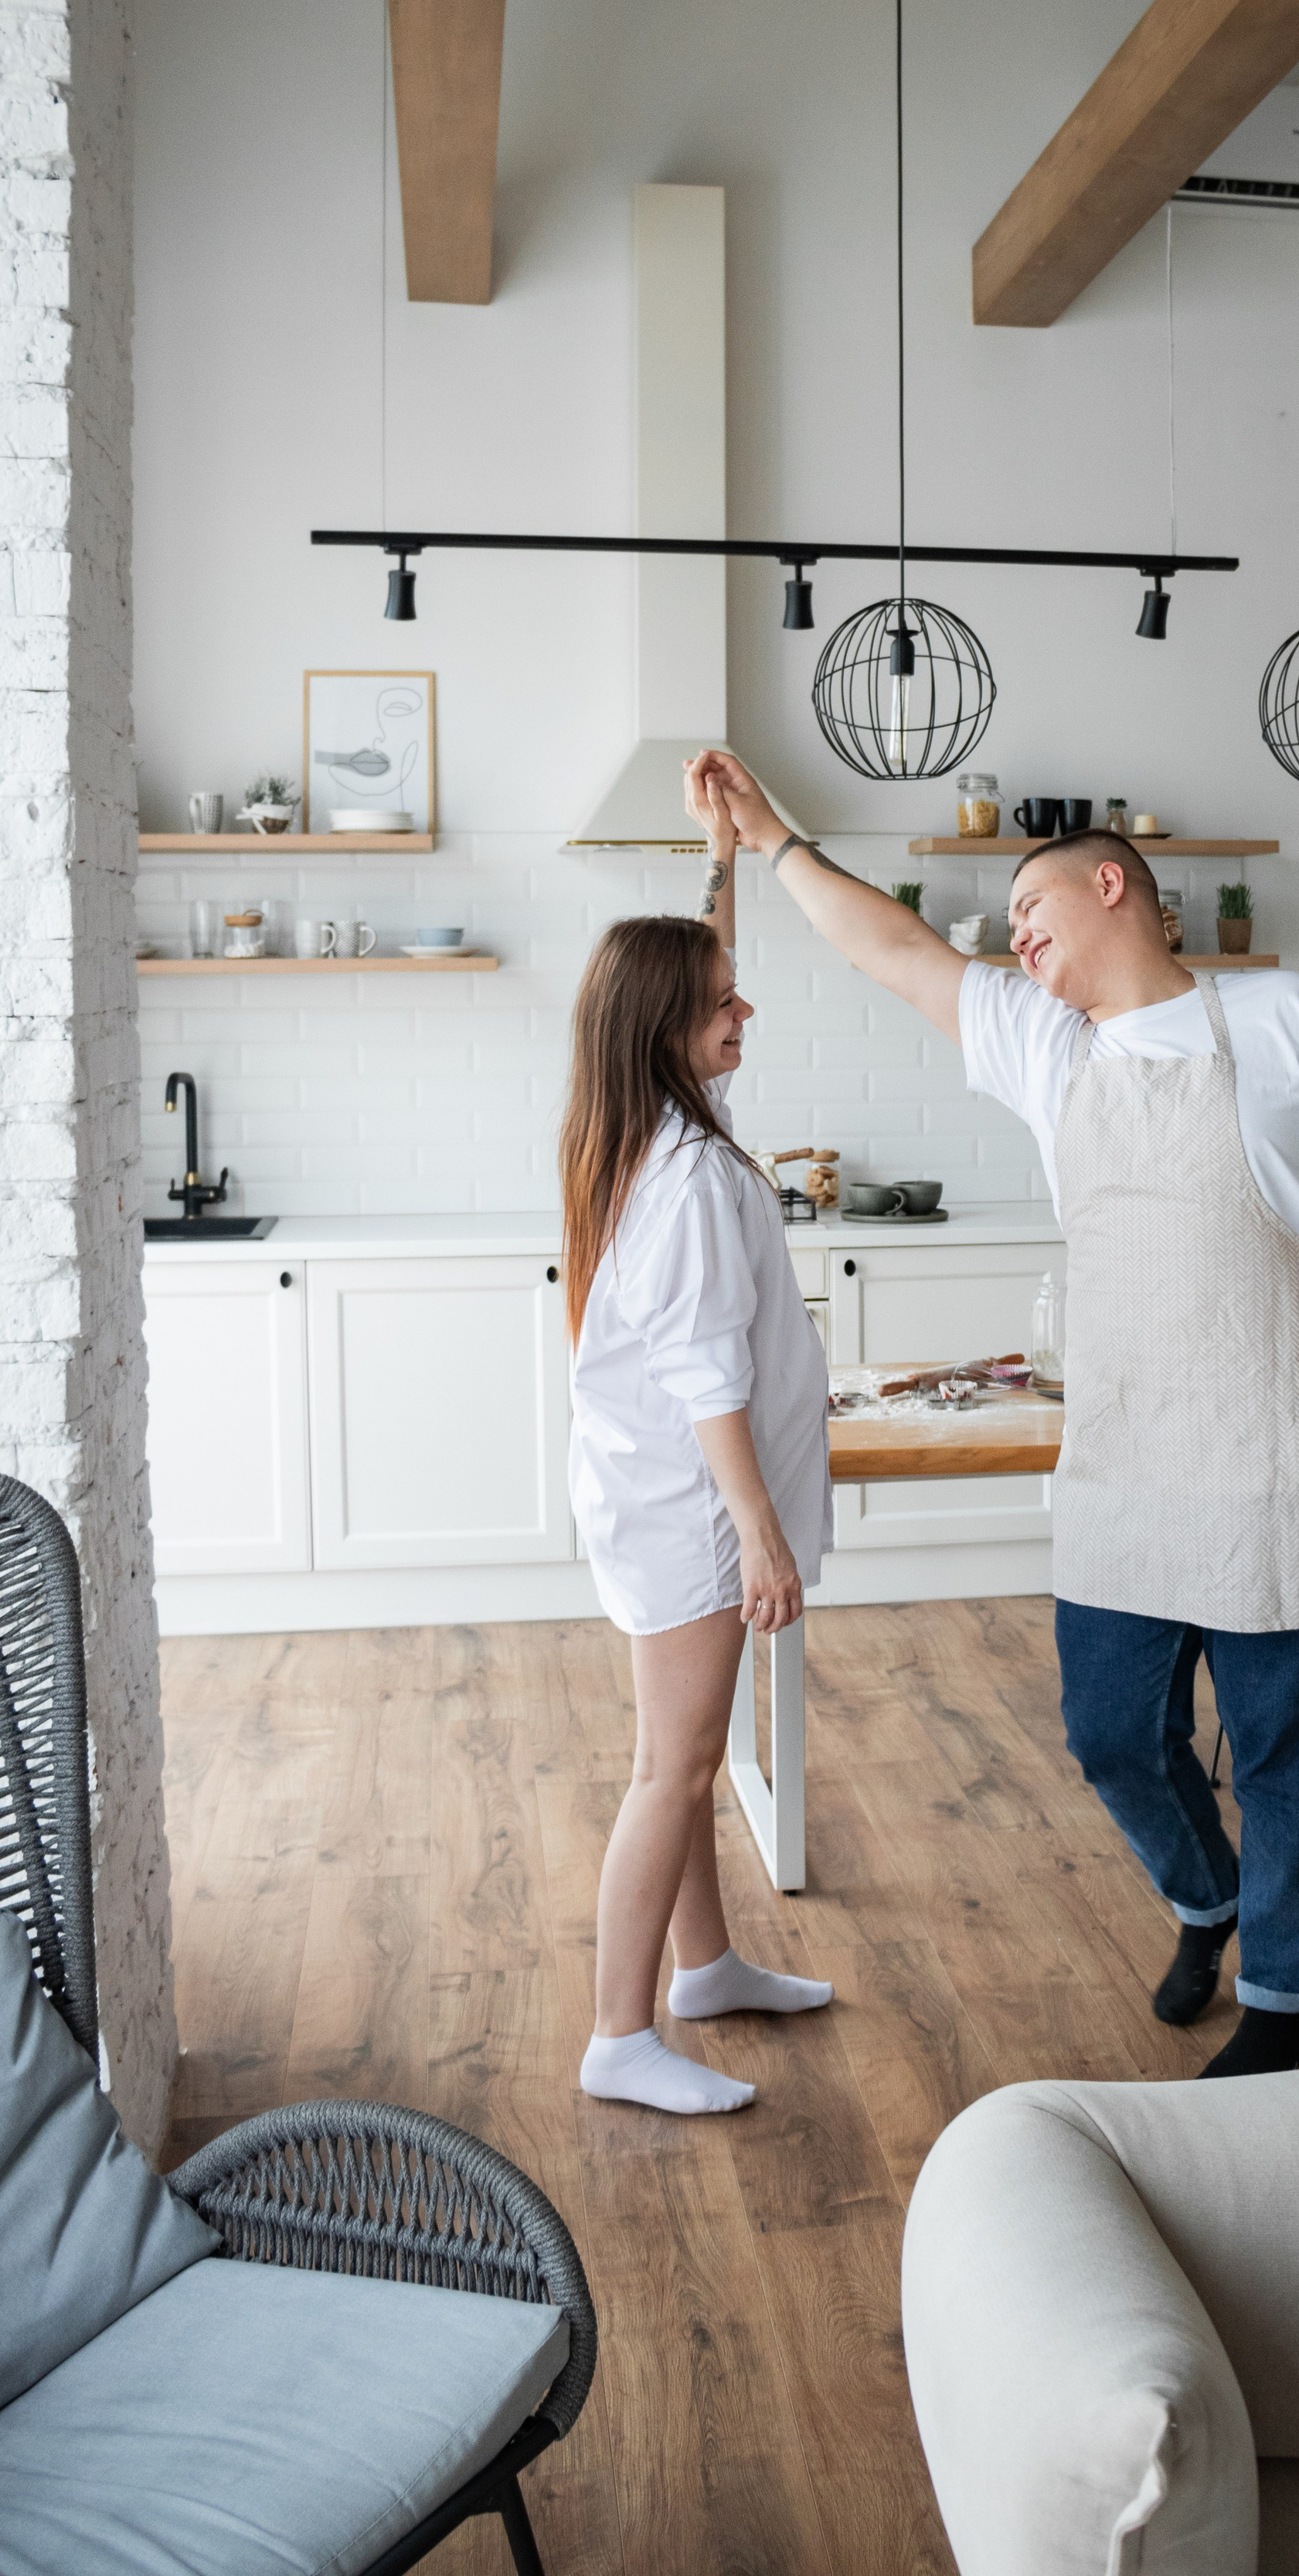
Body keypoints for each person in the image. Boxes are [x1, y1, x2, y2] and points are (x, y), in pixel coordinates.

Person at [695, 751, 1299, 2078]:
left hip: (1284, 1459)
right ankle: (1208, 1898)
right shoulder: (1048, 1047)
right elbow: (887, 947)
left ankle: (1282, 2000)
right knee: (1111, 1732)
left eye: (1033, 917)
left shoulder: (1289, 1020)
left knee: (1290, 1750)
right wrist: (771, 839)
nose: (1017, 946)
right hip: (1128, 1462)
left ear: (1113, 885)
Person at [563, 764, 833, 2115]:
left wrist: (718, 848)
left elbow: (691, 964)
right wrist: (761, 1537)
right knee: (672, 1768)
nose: (744, 1007)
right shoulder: (678, 1178)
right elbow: (706, 1375)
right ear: (669, 1030)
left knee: (693, 1737)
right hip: (687, 1505)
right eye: (722, 1003)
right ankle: (619, 2039)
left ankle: (706, 1966)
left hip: (653, 1492)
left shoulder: (656, 1120)